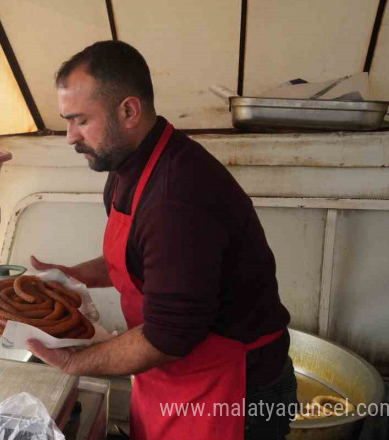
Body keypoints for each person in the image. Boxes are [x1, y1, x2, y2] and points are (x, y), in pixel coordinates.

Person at [25, 41, 297, 439]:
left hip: (232, 392)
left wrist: (74, 363)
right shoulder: (128, 167)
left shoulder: (176, 196)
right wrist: (74, 275)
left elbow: (169, 336)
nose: (70, 137)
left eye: (80, 120)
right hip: (175, 376)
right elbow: (139, 256)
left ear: (129, 111)